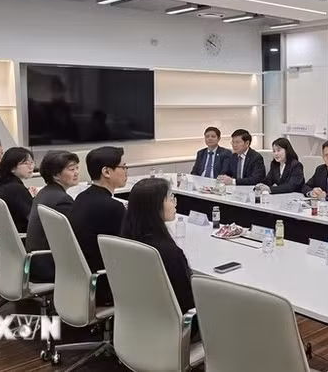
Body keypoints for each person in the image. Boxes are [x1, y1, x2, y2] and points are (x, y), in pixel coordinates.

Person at [120, 178, 200, 341]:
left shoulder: (127, 239)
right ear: (155, 206)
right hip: (178, 328)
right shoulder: (168, 252)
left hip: (138, 321)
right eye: (170, 198)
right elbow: (187, 301)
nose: (175, 202)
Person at [69, 146, 128, 305]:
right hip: (105, 283)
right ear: (107, 172)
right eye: (123, 167)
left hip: (81, 279)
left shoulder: (81, 197)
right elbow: (130, 249)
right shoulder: (112, 207)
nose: (126, 171)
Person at [26, 150, 80, 283]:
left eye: (77, 168)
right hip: (50, 265)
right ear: (56, 175)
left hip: (37, 262)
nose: (77, 172)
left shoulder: (44, 192)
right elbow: (76, 235)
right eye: (72, 169)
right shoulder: (62, 200)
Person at [0, 147, 37, 233]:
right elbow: (33, 219)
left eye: (32, 162)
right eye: (25, 163)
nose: (31, 167)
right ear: (12, 168)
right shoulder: (16, 189)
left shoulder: (5, 184)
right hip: (22, 236)